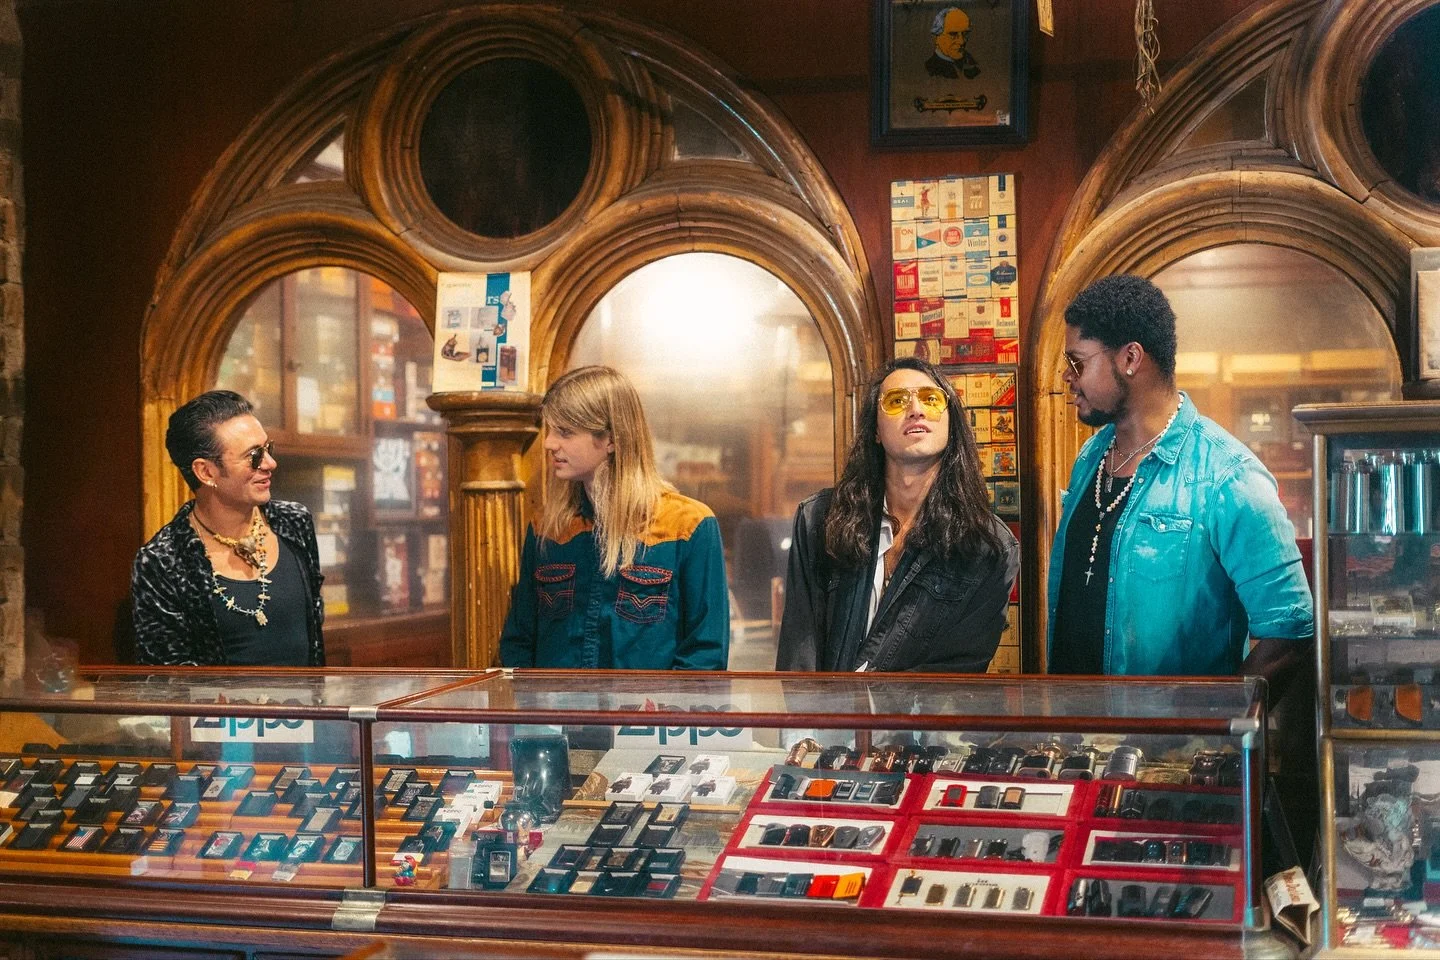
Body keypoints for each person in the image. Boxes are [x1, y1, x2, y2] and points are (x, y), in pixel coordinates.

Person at [1048, 275, 1313, 677]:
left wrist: (1213, 728)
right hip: (1077, 734)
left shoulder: (1228, 477)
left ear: (1130, 359)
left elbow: (1289, 634)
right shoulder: (1091, 457)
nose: (1067, 377)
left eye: (1077, 362)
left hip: (1171, 739)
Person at [777, 356, 1019, 672]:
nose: (916, 410)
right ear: (875, 430)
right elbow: (799, 655)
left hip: (916, 721)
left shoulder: (989, 546)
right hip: (826, 718)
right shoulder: (820, 519)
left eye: (931, 400)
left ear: (951, 423)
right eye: (896, 401)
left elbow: (959, 672)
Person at [499, 365, 729, 670]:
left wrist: (664, 715)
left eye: (565, 432)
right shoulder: (547, 529)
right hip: (559, 714)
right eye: (550, 430)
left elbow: (705, 654)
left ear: (611, 438)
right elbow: (520, 641)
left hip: (647, 716)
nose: (549, 443)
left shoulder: (688, 525)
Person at [132, 390, 325, 666]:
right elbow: (167, 683)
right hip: (221, 710)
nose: (270, 463)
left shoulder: (294, 522)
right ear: (206, 472)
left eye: (268, 449)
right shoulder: (163, 559)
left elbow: (315, 641)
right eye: (254, 456)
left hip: (307, 709)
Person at [925, 7, 981, 80]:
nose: (961, 41)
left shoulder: (971, 62)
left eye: (965, 34)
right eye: (953, 34)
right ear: (937, 37)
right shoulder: (931, 67)